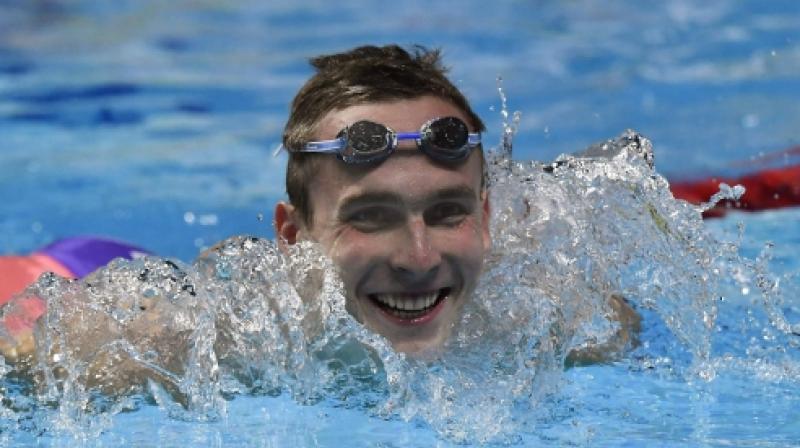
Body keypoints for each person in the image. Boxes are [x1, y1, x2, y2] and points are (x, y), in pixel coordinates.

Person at [0, 44, 638, 371]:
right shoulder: (220, 339)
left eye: (448, 213)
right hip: (81, 271)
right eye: (370, 216)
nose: (419, 258)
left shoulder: (550, 313)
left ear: (489, 217)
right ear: (292, 234)